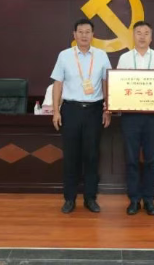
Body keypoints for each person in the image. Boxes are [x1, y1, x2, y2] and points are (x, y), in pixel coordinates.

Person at [50, 18, 112, 214]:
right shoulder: (64, 56)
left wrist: (107, 109)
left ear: (93, 35)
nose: (84, 35)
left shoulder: (101, 56)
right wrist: (56, 110)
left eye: (88, 32)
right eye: (80, 31)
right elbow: (58, 84)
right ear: (74, 34)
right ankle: (69, 199)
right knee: (71, 156)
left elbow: (107, 83)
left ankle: (90, 198)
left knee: (92, 156)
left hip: (94, 110)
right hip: (71, 110)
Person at [116, 21, 154, 216]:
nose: (142, 36)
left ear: (151, 37)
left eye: (146, 33)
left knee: (151, 160)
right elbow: (118, 85)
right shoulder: (124, 58)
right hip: (130, 116)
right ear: (133, 36)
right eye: (138, 32)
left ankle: (149, 200)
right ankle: (134, 199)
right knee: (131, 159)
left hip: (152, 116)